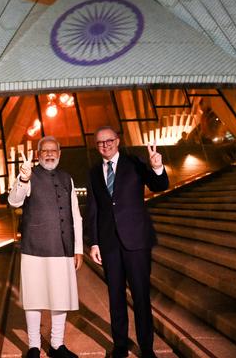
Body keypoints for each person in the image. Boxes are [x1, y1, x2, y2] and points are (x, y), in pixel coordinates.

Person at [85, 126, 169, 358]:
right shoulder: (93, 172)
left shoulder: (135, 162)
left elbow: (159, 185)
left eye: (109, 140)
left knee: (141, 296)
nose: (105, 145)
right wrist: (94, 243)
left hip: (137, 241)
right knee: (115, 296)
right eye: (100, 142)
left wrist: (157, 167)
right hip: (109, 244)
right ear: (96, 146)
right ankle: (120, 345)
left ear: (118, 141)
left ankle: (147, 347)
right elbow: (93, 209)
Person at [8, 136, 83, 358]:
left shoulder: (67, 178)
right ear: (38, 154)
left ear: (59, 154)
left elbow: (75, 216)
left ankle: (57, 345)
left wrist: (78, 248)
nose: (49, 154)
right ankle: (33, 346)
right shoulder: (29, 175)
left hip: (63, 248)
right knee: (34, 298)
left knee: (60, 297)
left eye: (53, 151)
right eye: (45, 151)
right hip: (34, 249)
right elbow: (14, 201)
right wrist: (23, 179)